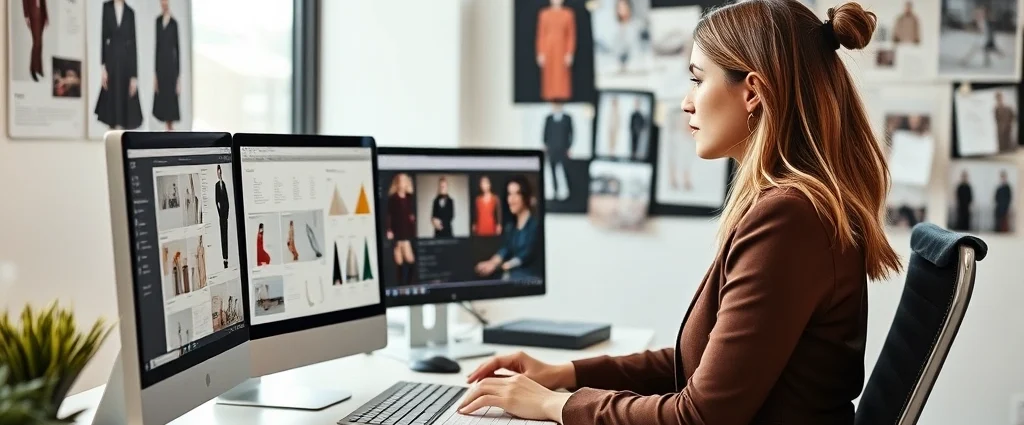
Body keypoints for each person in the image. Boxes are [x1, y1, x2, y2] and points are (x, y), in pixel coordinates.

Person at [458, 2, 903, 424]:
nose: (687, 102)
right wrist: (564, 375)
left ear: (752, 91)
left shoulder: (789, 219)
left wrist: (557, 406)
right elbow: (699, 364)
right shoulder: (792, 209)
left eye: (697, 79)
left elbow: (700, 416)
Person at [474, 176, 540, 281]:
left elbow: (524, 256)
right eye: (509, 194)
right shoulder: (511, 226)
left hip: (528, 277)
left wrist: (497, 266)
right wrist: (491, 262)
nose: (511, 199)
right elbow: (505, 249)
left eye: (516, 194)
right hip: (511, 275)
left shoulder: (535, 225)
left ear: (525, 196)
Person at [95, 0, 143, 130]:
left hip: (126, 64)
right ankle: (111, 145)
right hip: (111, 62)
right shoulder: (107, 7)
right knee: (111, 111)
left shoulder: (130, 13)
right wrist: (103, 68)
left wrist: (134, 76)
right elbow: (103, 37)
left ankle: (120, 146)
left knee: (124, 111)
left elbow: (133, 46)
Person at [536, 0, 576, 101]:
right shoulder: (544, 14)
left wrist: (570, 52)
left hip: (562, 47)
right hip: (548, 48)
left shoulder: (568, 14)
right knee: (549, 74)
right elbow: (541, 35)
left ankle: (562, 96)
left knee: (562, 73)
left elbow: (571, 35)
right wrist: (540, 52)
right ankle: (549, 96)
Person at [153, 0, 181, 130]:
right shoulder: (158, 21)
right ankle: (165, 129)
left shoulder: (174, 23)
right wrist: (155, 75)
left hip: (171, 68)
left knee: (171, 99)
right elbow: (157, 48)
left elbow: (177, 50)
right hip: (161, 67)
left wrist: (178, 78)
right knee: (162, 99)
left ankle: (170, 128)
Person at [386, 174, 416, 284]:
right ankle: (401, 283)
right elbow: (389, 215)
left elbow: (411, 213)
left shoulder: (409, 197)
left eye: (404, 181)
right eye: (399, 181)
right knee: (399, 255)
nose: (401, 183)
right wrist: (389, 229)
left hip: (407, 229)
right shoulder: (393, 198)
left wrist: (412, 218)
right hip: (397, 229)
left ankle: (408, 283)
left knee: (408, 256)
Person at [543, 102, 574, 201]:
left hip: (563, 149)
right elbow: (545, 133)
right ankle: (556, 192)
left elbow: (571, 133)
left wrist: (569, 147)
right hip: (552, 149)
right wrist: (546, 146)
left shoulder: (567, 118)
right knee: (553, 171)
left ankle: (570, 192)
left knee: (565, 170)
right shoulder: (549, 118)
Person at [23, 0, 48, 82]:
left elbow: (44, 1)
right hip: (33, 15)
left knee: (40, 44)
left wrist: (46, 16)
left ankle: (39, 69)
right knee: (36, 43)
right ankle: (33, 70)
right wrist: (26, 15)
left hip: (41, 15)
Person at [215, 165, 230, 268]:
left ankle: (227, 258)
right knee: (222, 235)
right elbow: (216, 201)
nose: (219, 174)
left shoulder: (223, 184)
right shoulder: (217, 185)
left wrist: (227, 212)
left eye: (220, 172)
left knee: (226, 235)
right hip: (221, 215)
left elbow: (227, 200)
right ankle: (224, 259)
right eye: (218, 173)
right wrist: (220, 212)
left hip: (225, 213)